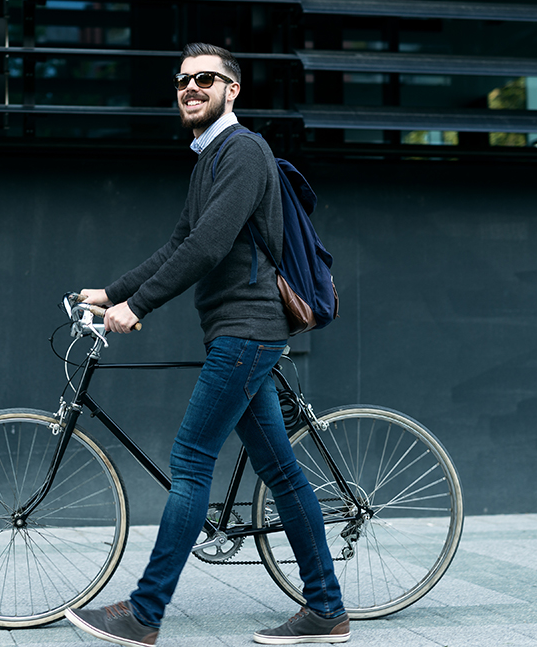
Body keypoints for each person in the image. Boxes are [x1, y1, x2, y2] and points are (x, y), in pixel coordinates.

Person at [63, 43, 350, 646]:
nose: (190, 88)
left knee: (192, 461)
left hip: (248, 331)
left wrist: (136, 307)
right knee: (282, 473)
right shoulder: (207, 161)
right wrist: (110, 290)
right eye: (181, 81)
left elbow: (209, 246)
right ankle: (326, 608)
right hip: (237, 332)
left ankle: (144, 614)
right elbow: (177, 244)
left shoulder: (244, 151)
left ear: (232, 90)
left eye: (204, 79)